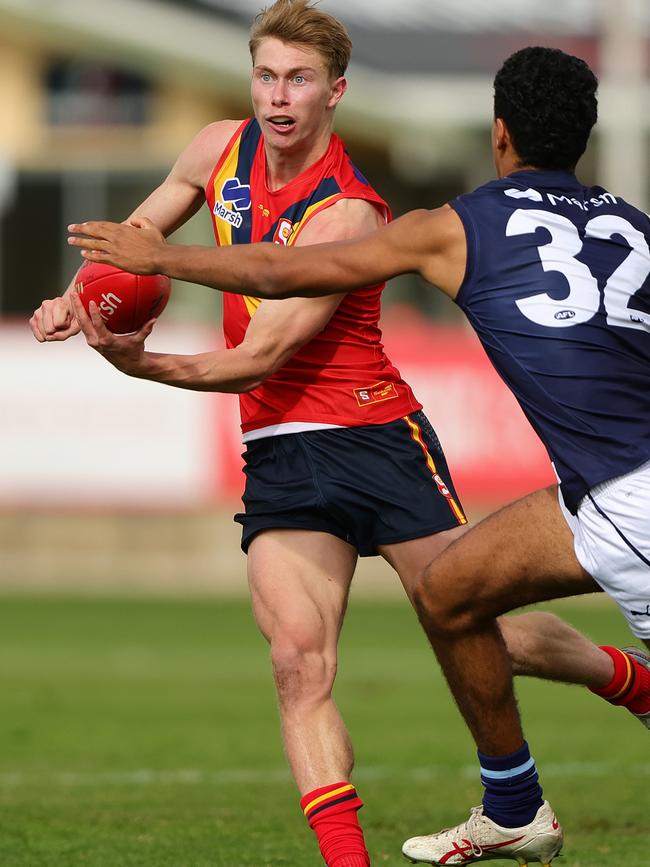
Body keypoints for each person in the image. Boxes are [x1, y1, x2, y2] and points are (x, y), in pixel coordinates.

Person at [61, 44, 650, 864]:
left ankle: (605, 701)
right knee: (394, 620)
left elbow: (277, 291)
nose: (278, 95)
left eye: (298, 78)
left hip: (435, 452)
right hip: (544, 487)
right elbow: (202, 239)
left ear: (499, 133)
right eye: (266, 75)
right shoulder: (633, 222)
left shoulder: (410, 219)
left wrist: (156, 293)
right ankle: (494, 808)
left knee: (469, 614)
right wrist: (90, 291)